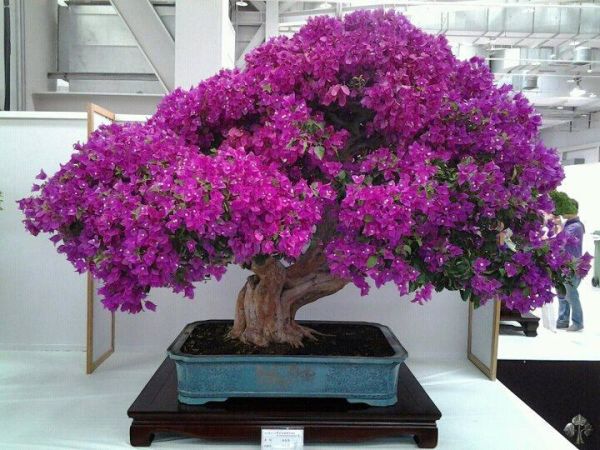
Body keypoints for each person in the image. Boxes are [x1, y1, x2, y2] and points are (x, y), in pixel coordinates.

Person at [556, 201, 585, 332]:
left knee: (571, 294)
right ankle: (563, 320)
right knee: (563, 293)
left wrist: (557, 225)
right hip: (565, 263)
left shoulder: (576, 226)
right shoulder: (569, 224)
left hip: (572, 265)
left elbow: (561, 239)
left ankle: (578, 322)